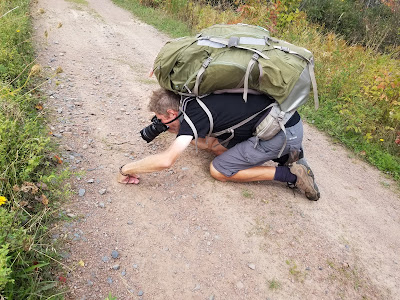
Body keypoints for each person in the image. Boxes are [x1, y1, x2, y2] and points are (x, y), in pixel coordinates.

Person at [117, 88, 320, 201]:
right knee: (214, 146)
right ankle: (290, 153)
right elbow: (211, 142)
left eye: (161, 120)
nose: (162, 125)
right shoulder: (192, 100)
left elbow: (166, 160)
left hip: (282, 133)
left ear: (171, 113)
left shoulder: (194, 117)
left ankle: (291, 174)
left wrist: (125, 169)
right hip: (285, 120)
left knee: (219, 169)